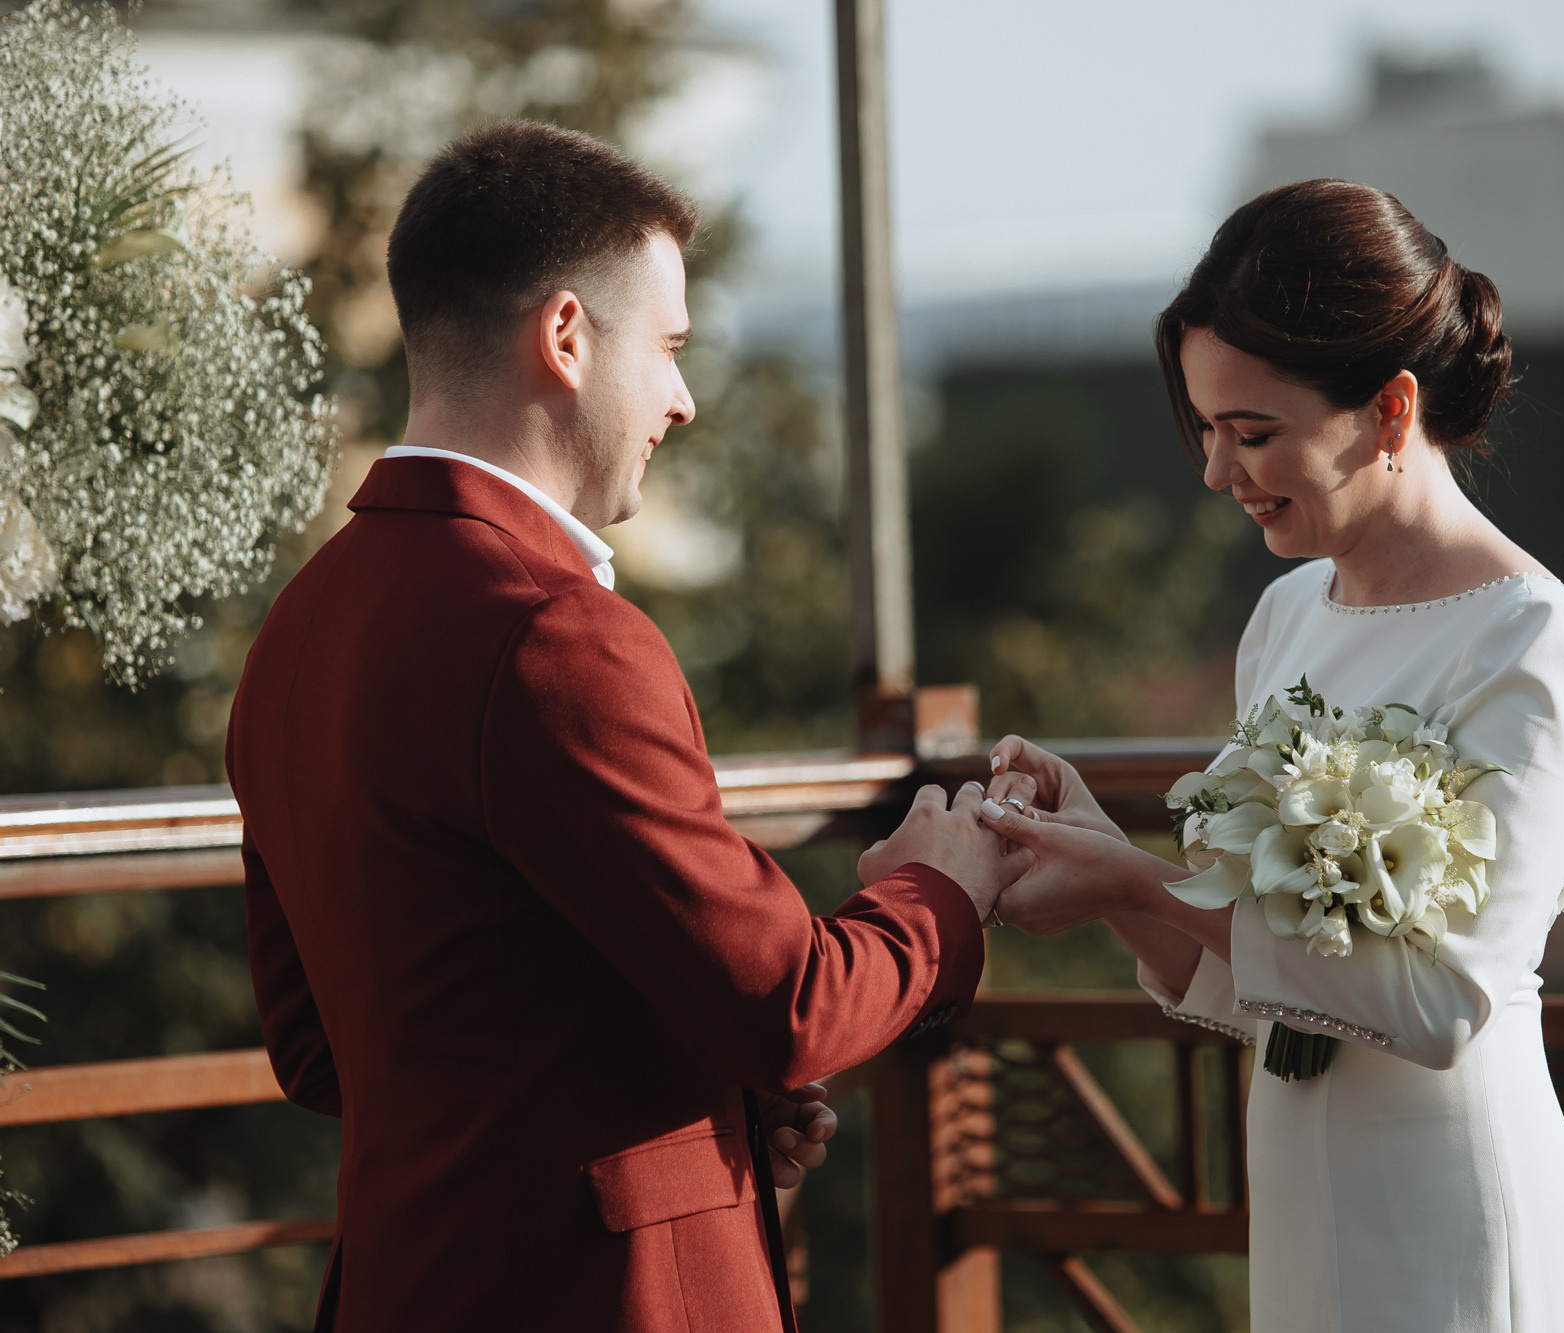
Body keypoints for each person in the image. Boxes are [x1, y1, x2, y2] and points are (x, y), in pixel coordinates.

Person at [226, 122, 1010, 1333]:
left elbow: (325, 1053)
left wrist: (712, 1104)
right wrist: (940, 898)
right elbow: (789, 1003)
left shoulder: (295, 630)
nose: (684, 400)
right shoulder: (555, 635)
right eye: (671, 347)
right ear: (566, 336)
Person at [973, 180, 1564, 1331]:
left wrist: (1138, 876)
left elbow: (1439, 1002)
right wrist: (1101, 864)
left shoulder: (1527, 637)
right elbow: (1269, 989)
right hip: (1297, 1197)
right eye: (1206, 429)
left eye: (1253, 432)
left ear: (1388, 409)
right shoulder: (1282, 619)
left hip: (1455, 1209)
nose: (1219, 474)